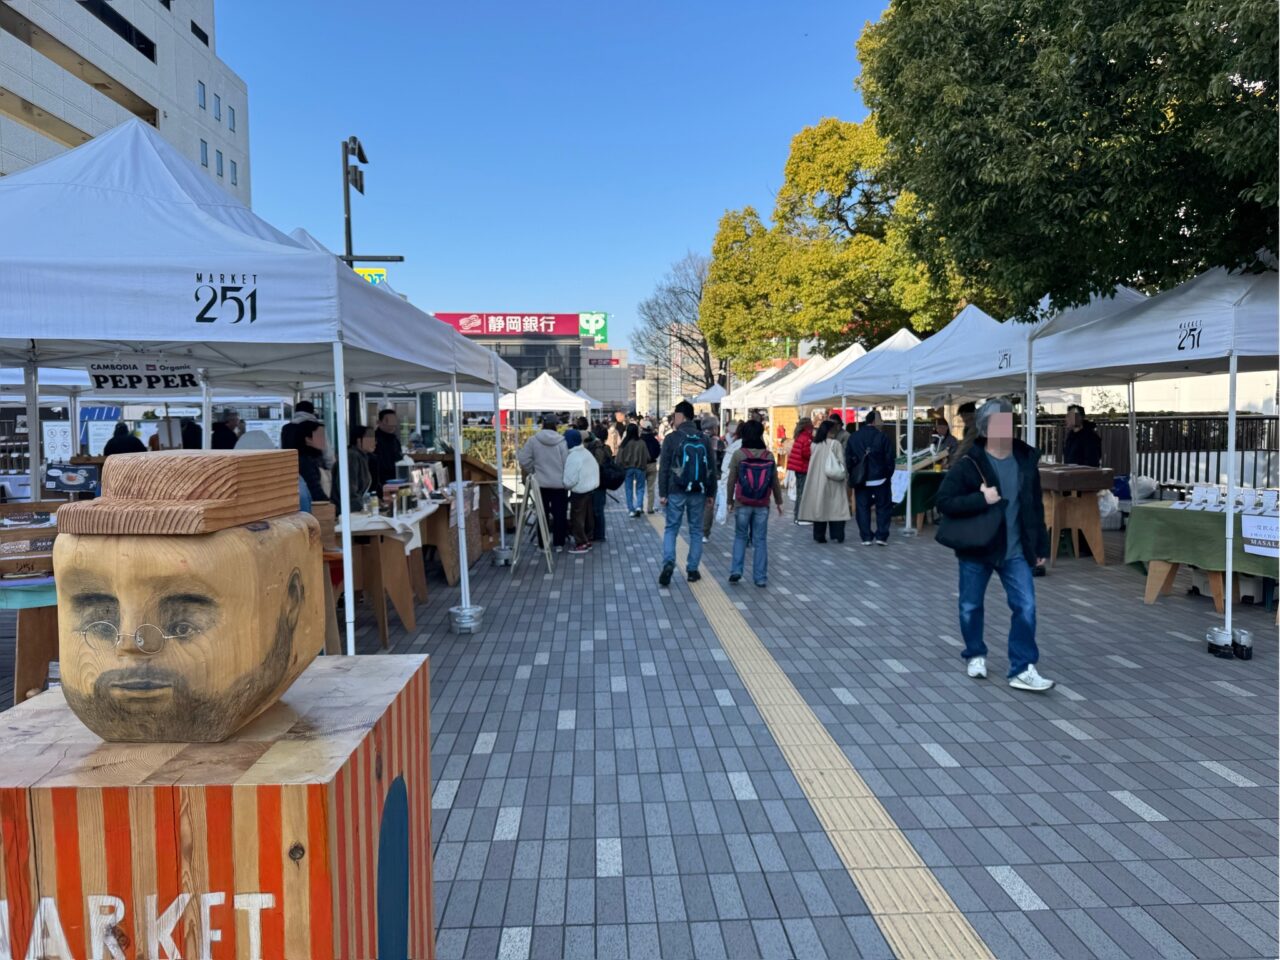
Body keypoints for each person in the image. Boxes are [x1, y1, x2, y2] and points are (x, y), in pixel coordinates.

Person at [936, 397, 1054, 692]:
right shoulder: (969, 463)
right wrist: (980, 499)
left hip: (1015, 551)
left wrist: (1040, 546)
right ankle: (975, 653)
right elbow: (944, 503)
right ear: (986, 429)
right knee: (970, 606)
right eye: (1000, 424)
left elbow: (1034, 506)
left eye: (1010, 422)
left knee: (1026, 606)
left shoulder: (1025, 460)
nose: (1006, 429)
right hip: (978, 548)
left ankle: (1023, 667)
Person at [657, 400, 719, 585]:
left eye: (675, 416)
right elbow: (711, 468)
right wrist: (711, 492)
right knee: (695, 530)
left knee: (671, 528)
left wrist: (663, 493)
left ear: (680, 416)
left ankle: (669, 562)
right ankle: (692, 570)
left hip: (676, 489)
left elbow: (665, 468)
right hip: (698, 491)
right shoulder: (704, 438)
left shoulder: (671, 438)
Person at [726, 419, 783, 587]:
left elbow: (731, 480)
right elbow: (774, 481)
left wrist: (730, 501)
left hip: (742, 503)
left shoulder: (739, 454)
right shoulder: (768, 455)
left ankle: (736, 571)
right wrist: (779, 501)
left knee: (740, 536)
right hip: (762, 503)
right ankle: (760, 578)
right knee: (760, 540)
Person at [517, 416, 569, 550]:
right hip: (559, 483)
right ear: (555, 427)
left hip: (540, 483)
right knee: (560, 514)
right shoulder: (561, 441)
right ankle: (559, 544)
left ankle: (543, 544)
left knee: (542, 514)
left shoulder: (533, 441)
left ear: (542, 426)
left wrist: (533, 470)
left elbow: (523, 458)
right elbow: (566, 461)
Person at [797, 418, 851, 542]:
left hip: (817, 481)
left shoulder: (814, 445)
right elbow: (841, 462)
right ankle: (837, 535)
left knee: (820, 510)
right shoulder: (835, 444)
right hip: (833, 480)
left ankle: (819, 536)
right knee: (836, 509)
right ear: (831, 431)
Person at [846, 409, 895, 545]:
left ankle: (866, 537)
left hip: (861, 480)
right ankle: (881, 536)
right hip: (881, 478)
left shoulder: (854, 437)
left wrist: (853, 474)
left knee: (862, 508)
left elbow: (848, 459)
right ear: (874, 421)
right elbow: (890, 458)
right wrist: (887, 474)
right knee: (883, 507)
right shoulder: (882, 436)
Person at [562, 428, 600, 554]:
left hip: (579, 491)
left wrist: (566, 485)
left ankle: (581, 543)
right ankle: (587, 539)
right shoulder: (585, 452)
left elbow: (569, 480)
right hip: (591, 488)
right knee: (588, 517)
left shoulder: (573, 456)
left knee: (577, 518)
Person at [287, 420, 332, 505]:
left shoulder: (317, 459)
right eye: (320, 436)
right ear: (308, 439)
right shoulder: (305, 463)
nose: (324, 441)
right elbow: (316, 493)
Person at [340, 424, 376, 512]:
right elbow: (350, 491)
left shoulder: (363, 457)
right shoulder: (352, 456)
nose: (375, 442)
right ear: (359, 441)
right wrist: (362, 509)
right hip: (348, 512)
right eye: (370, 438)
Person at [617, 423, 650, 517]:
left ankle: (631, 509)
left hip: (627, 469)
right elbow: (647, 456)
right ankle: (639, 506)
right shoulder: (642, 443)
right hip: (640, 468)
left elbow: (619, 458)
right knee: (640, 488)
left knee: (628, 489)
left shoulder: (624, 443)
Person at [785, 418, 814, 524]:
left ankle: (797, 515)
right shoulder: (806, 437)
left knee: (800, 491)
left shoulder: (800, 436)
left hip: (798, 467)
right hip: (803, 467)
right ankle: (801, 516)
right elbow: (806, 453)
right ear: (808, 425)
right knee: (803, 492)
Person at [701, 420, 724, 543]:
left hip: (698, 476)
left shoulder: (697, 439)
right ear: (714, 428)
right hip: (713, 477)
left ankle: (696, 529)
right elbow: (723, 460)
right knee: (709, 505)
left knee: (697, 503)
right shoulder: (719, 442)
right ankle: (705, 533)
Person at [588, 423, 611, 542]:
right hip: (602, 482)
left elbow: (597, 464)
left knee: (597, 509)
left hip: (597, 482)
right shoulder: (605, 448)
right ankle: (598, 534)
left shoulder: (598, 449)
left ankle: (599, 534)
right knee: (598, 509)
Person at [374, 408, 403, 483]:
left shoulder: (395, 440)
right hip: (379, 480)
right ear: (379, 422)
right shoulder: (373, 439)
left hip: (395, 480)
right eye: (387, 421)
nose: (392, 424)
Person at [641, 420, 662, 513]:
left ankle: (639, 507)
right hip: (652, 465)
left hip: (641, 465)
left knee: (640, 487)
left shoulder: (639, 440)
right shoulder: (654, 440)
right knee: (651, 488)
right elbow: (658, 452)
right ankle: (650, 508)